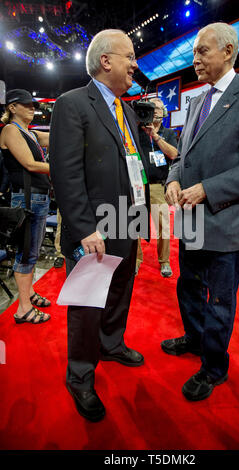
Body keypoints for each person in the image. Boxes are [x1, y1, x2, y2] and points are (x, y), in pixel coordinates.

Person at [162, 22, 239, 401]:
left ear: (228, 51)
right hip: (191, 220)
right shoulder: (196, 100)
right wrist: (173, 180)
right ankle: (195, 340)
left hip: (224, 220)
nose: (195, 59)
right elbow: (182, 156)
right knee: (188, 288)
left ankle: (214, 368)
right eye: (195, 52)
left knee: (220, 300)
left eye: (202, 51)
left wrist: (208, 190)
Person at [49, 29, 150, 422]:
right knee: (88, 304)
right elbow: (66, 173)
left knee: (120, 289)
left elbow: (134, 166)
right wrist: (85, 227)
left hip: (128, 220)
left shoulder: (125, 110)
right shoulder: (72, 104)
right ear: (105, 60)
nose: (134, 65)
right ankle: (80, 375)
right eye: (129, 57)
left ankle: (111, 344)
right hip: (93, 229)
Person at [0, 89, 51, 324]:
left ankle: (28, 293)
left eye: (33, 104)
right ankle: (23, 308)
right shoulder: (10, 130)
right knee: (26, 253)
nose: (32, 107)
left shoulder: (30, 133)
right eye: (26, 104)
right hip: (27, 199)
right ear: (12, 107)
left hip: (37, 197)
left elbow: (54, 138)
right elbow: (30, 165)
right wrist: (62, 169)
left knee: (32, 251)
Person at [136, 97, 178, 277]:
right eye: (151, 107)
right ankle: (136, 260)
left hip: (157, 186)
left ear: (164, 112)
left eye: (158, 108)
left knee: (163, 227)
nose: (154, 111)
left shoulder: (168, 133)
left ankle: (164, 261)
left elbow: (174, 154)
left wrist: (155, 136)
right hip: (138, 185)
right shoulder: (136, 131)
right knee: (135, 226)